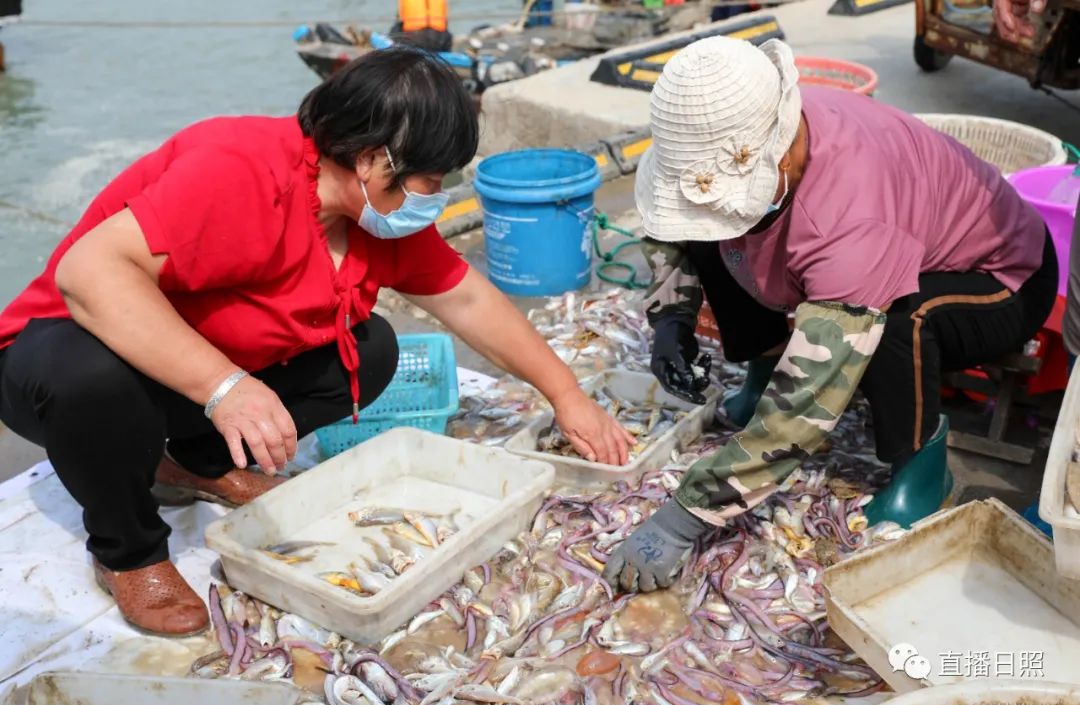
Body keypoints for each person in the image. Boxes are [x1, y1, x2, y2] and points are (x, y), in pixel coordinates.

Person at [0, 47, 633, 635]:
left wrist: (566, 394)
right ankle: (127, 550)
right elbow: (87, 274)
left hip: (177, 370)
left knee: (372, 350)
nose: (436, 198)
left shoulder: (374, 218)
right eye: (431, 179)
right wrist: (225, 388)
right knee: (94, 381)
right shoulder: (239, 168)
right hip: (58, 355)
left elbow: (467, 298)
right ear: (371, 160)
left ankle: (197, 461)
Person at [602, 37, 1056, 593]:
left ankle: (921, 466)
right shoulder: (740, 119)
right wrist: (669, 320)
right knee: (719, 231)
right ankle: (761, 372)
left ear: (786, 152)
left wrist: (684, 518)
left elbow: (811, 395)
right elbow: (673, 230)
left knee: (897, 319)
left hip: (1001, 278)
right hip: (874, 240)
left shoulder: (852, 218)